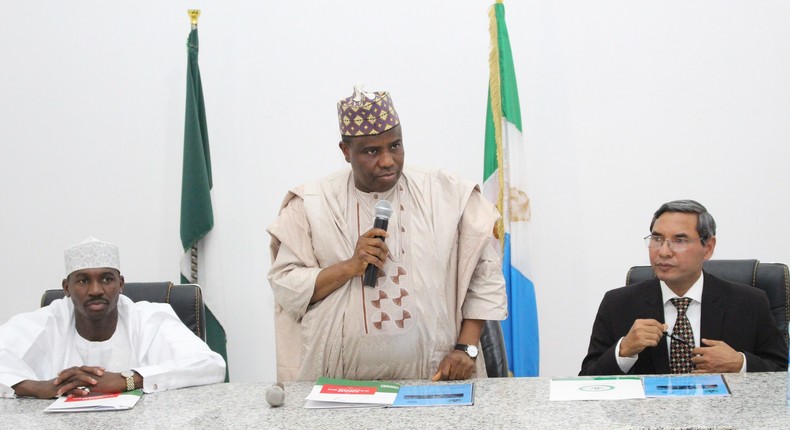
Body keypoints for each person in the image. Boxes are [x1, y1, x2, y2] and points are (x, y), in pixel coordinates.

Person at [267, 86, 508, 382]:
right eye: (372, 151)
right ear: (346, 152)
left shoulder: (444, 194)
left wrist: (466, 348)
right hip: (340, 390)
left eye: (395, 146)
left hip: (434, 383)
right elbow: (286, 286)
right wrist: (349, 267)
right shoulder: (310, 204)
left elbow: (485, 274)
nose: (387, 161)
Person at [0, 237, 226, 399]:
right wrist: (36, 387)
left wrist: (127, 380)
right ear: (66, 287)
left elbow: (211, 365)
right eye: (83, 280)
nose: (96, 290)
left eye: (107, 279)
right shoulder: (45, 322)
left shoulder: (151, 319)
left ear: (121, 284)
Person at [580, 200, 787, 376]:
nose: (663, 251)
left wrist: (740, 364)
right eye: (657, 239)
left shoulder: (749, 302)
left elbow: (780, 373)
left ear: (708, 248)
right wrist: (624, 350)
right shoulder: (618, 304)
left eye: (679, 240)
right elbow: (587, 380)